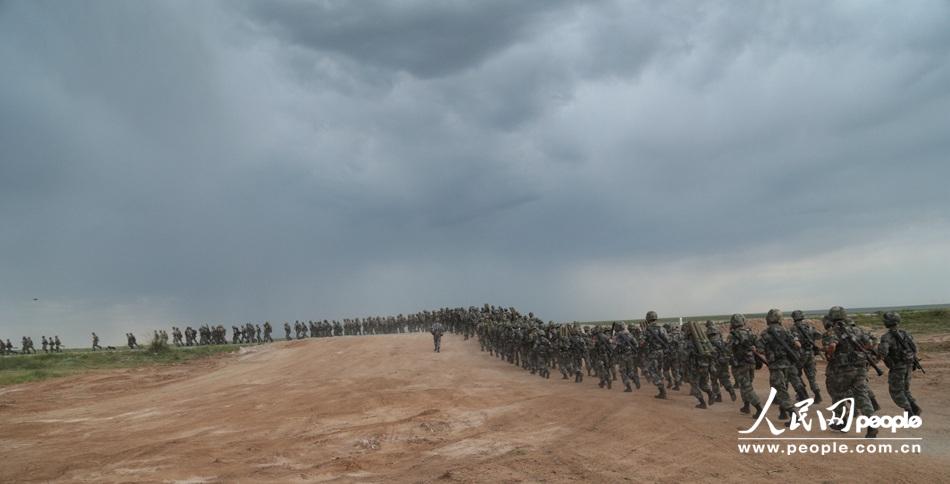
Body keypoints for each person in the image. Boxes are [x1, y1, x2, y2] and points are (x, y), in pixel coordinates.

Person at [876, 312, 922, 416]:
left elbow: (883, 353)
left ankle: (909, 412)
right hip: (909, 365)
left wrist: (877, 351)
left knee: (896, 391)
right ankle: (914, 407)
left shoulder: (886, 337)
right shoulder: (905, 333)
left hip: (897, 367)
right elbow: (915, 349)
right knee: (905, 389)